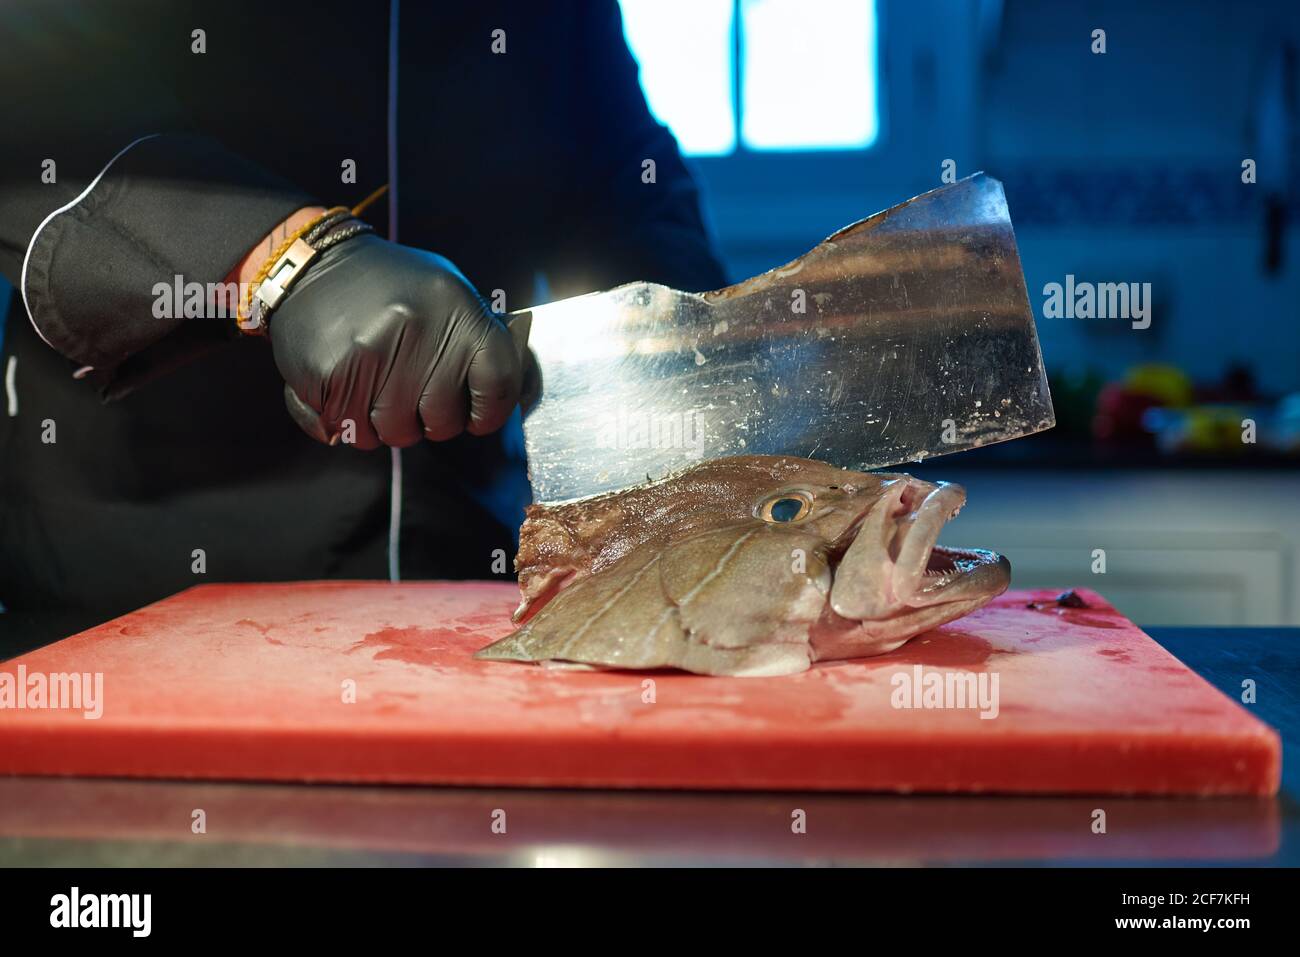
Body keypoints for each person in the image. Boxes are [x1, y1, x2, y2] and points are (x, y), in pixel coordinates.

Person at [0, 1, 726, 621]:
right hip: (142, 569)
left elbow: (617, 170)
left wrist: (703, 349)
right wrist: (284, 255)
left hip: (468, 555)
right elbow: (33, 88)